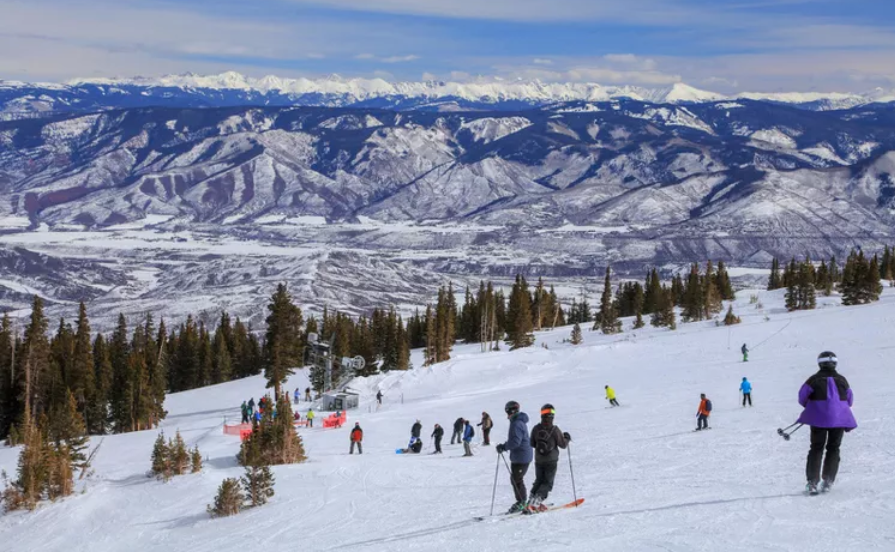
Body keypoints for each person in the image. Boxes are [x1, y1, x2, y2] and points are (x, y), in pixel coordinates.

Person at [797, 351, 857, 494]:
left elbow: (802, 397)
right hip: (840, 419)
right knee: (834, 448)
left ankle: (812, 482)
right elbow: (850, 400)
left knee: (816, 447)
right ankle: (828, 480)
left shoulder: (813, 380)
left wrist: (812, 406)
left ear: (820, 364)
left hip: (819, 419)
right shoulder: (842, 380)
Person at [527, 404, 570, 513]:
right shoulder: (555, 429)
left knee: (539, 480)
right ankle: (537, 501)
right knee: (547, 483)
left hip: (539, 459)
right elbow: (563, 445)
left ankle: (531, 500)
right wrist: (567, 438)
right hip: (551, 460)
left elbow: (532, 443)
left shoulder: (536, 428)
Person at [496, 401, 532, 514]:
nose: (507, 414)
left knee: (517, 479)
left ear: (511, 411)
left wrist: (504, 447)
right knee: (516, 479)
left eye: (507, 411)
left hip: (522, 456)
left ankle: (522, 502)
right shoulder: (518, 422)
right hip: (521, 456)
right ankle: (522, 501)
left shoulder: (516, 423)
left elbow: (516, 442)